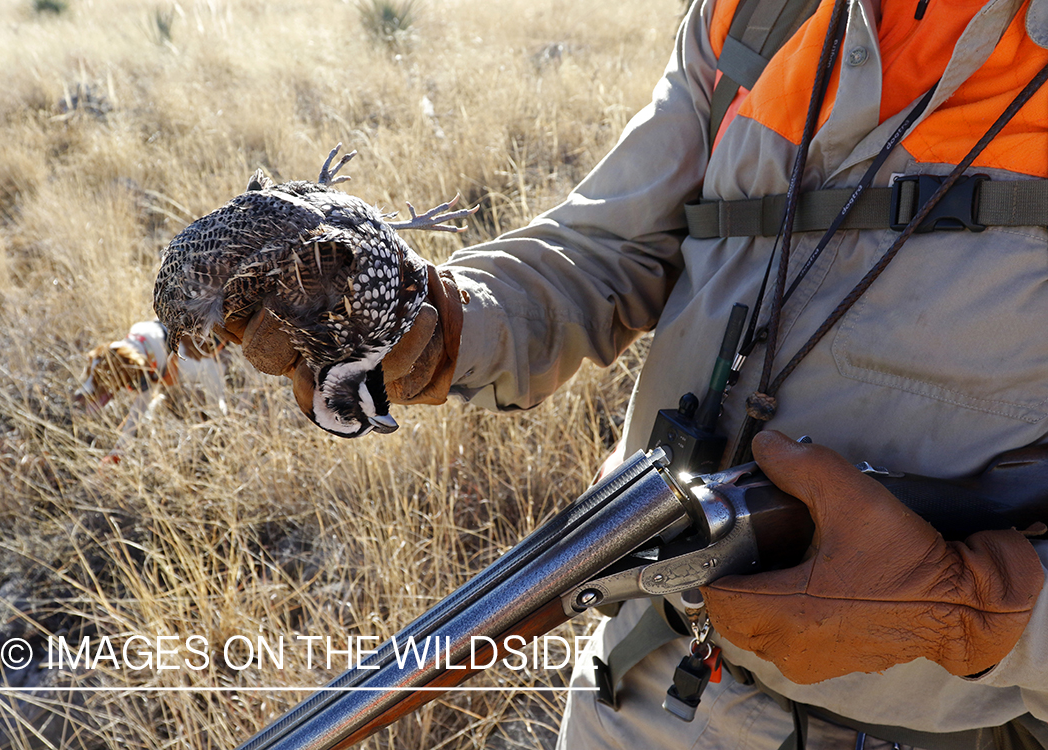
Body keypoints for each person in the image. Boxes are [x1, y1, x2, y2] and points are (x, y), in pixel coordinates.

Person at [229, 0, 1048, 745]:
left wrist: (973, 607)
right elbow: (605, 249)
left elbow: (985, 608)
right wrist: (435, 323)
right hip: (648, 686)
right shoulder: (757, 14)